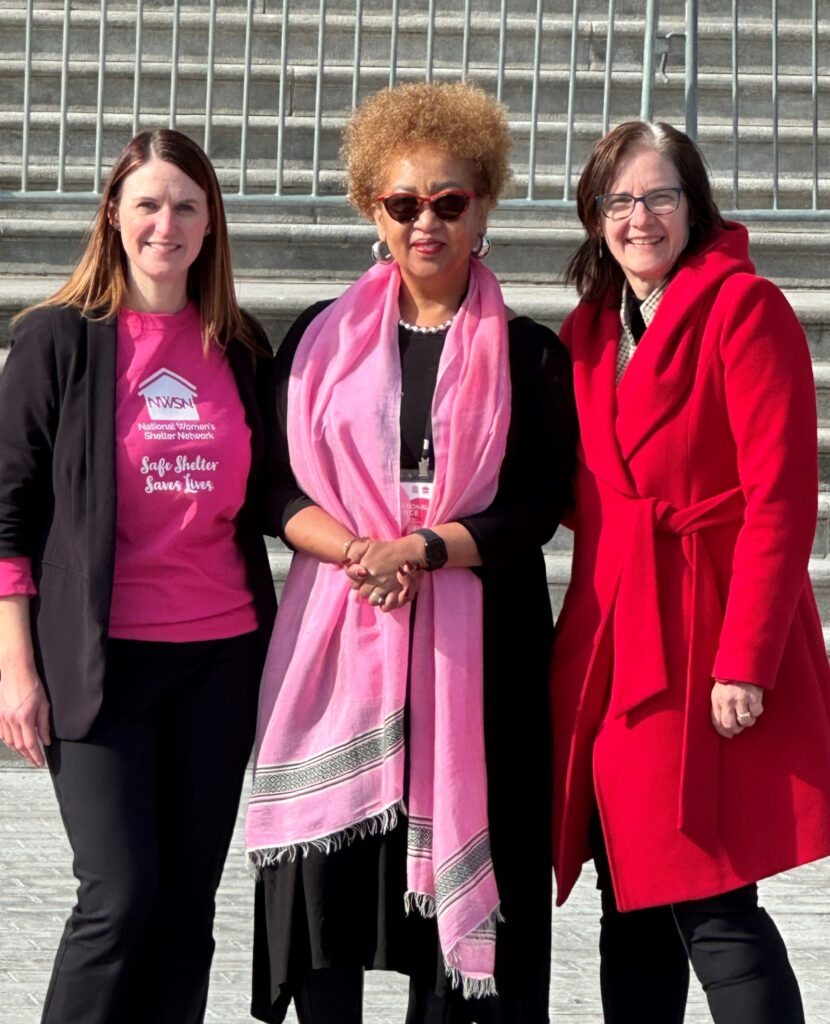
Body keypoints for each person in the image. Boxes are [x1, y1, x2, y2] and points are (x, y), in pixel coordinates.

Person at [245, 81, 577, 1024]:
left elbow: (535, 507)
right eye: (402, 203)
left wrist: (421, 550)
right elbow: (272, 489)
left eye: (448, 201)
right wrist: (362, 550)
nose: (425, 221)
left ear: (484, 210)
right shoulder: (313, 339)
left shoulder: (531, 354)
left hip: (482, 660)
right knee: (328, 906)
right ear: (371, 212)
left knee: (453, 977)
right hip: (341, 651)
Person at [550, 119, 830, 1024]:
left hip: (703, 631)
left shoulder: (748, 310)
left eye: (659, 196)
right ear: (595, 217)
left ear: (694, 205)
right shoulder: (590, 332)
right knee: (628, 895)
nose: (640, 218)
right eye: (619, 200)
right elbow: (578, 488)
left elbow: (781, 499)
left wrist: (746, 660)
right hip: (616, 633)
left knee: (709, 896)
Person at [0, 128, 277, 1024]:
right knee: (116, 900)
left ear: (210, 226)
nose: (168, 222)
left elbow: (276, 490)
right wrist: (15, 670)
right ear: (115, 216)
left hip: (221, 659)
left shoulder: (238, 345)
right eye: (149, 203)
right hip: (100, 666)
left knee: (185, 914)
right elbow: (4, 514)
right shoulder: (56, 341)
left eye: (187, 205)